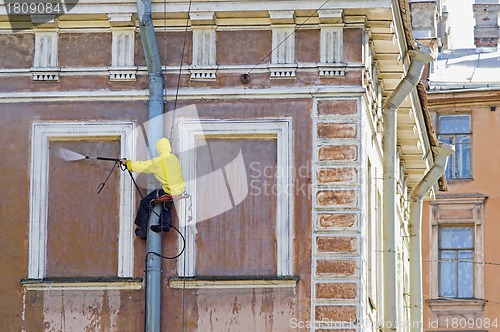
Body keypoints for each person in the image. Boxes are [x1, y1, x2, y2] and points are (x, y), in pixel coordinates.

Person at [122, 138, 185, 240]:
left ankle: (142, 231)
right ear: (168, 147)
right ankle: (165, 224)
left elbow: (142, 166)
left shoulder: (158, 161)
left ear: (159, 148)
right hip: (179, 190)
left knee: (145, 203)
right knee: (166, 203)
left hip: (169, 191)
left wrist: (127, 163)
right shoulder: (174, 158)